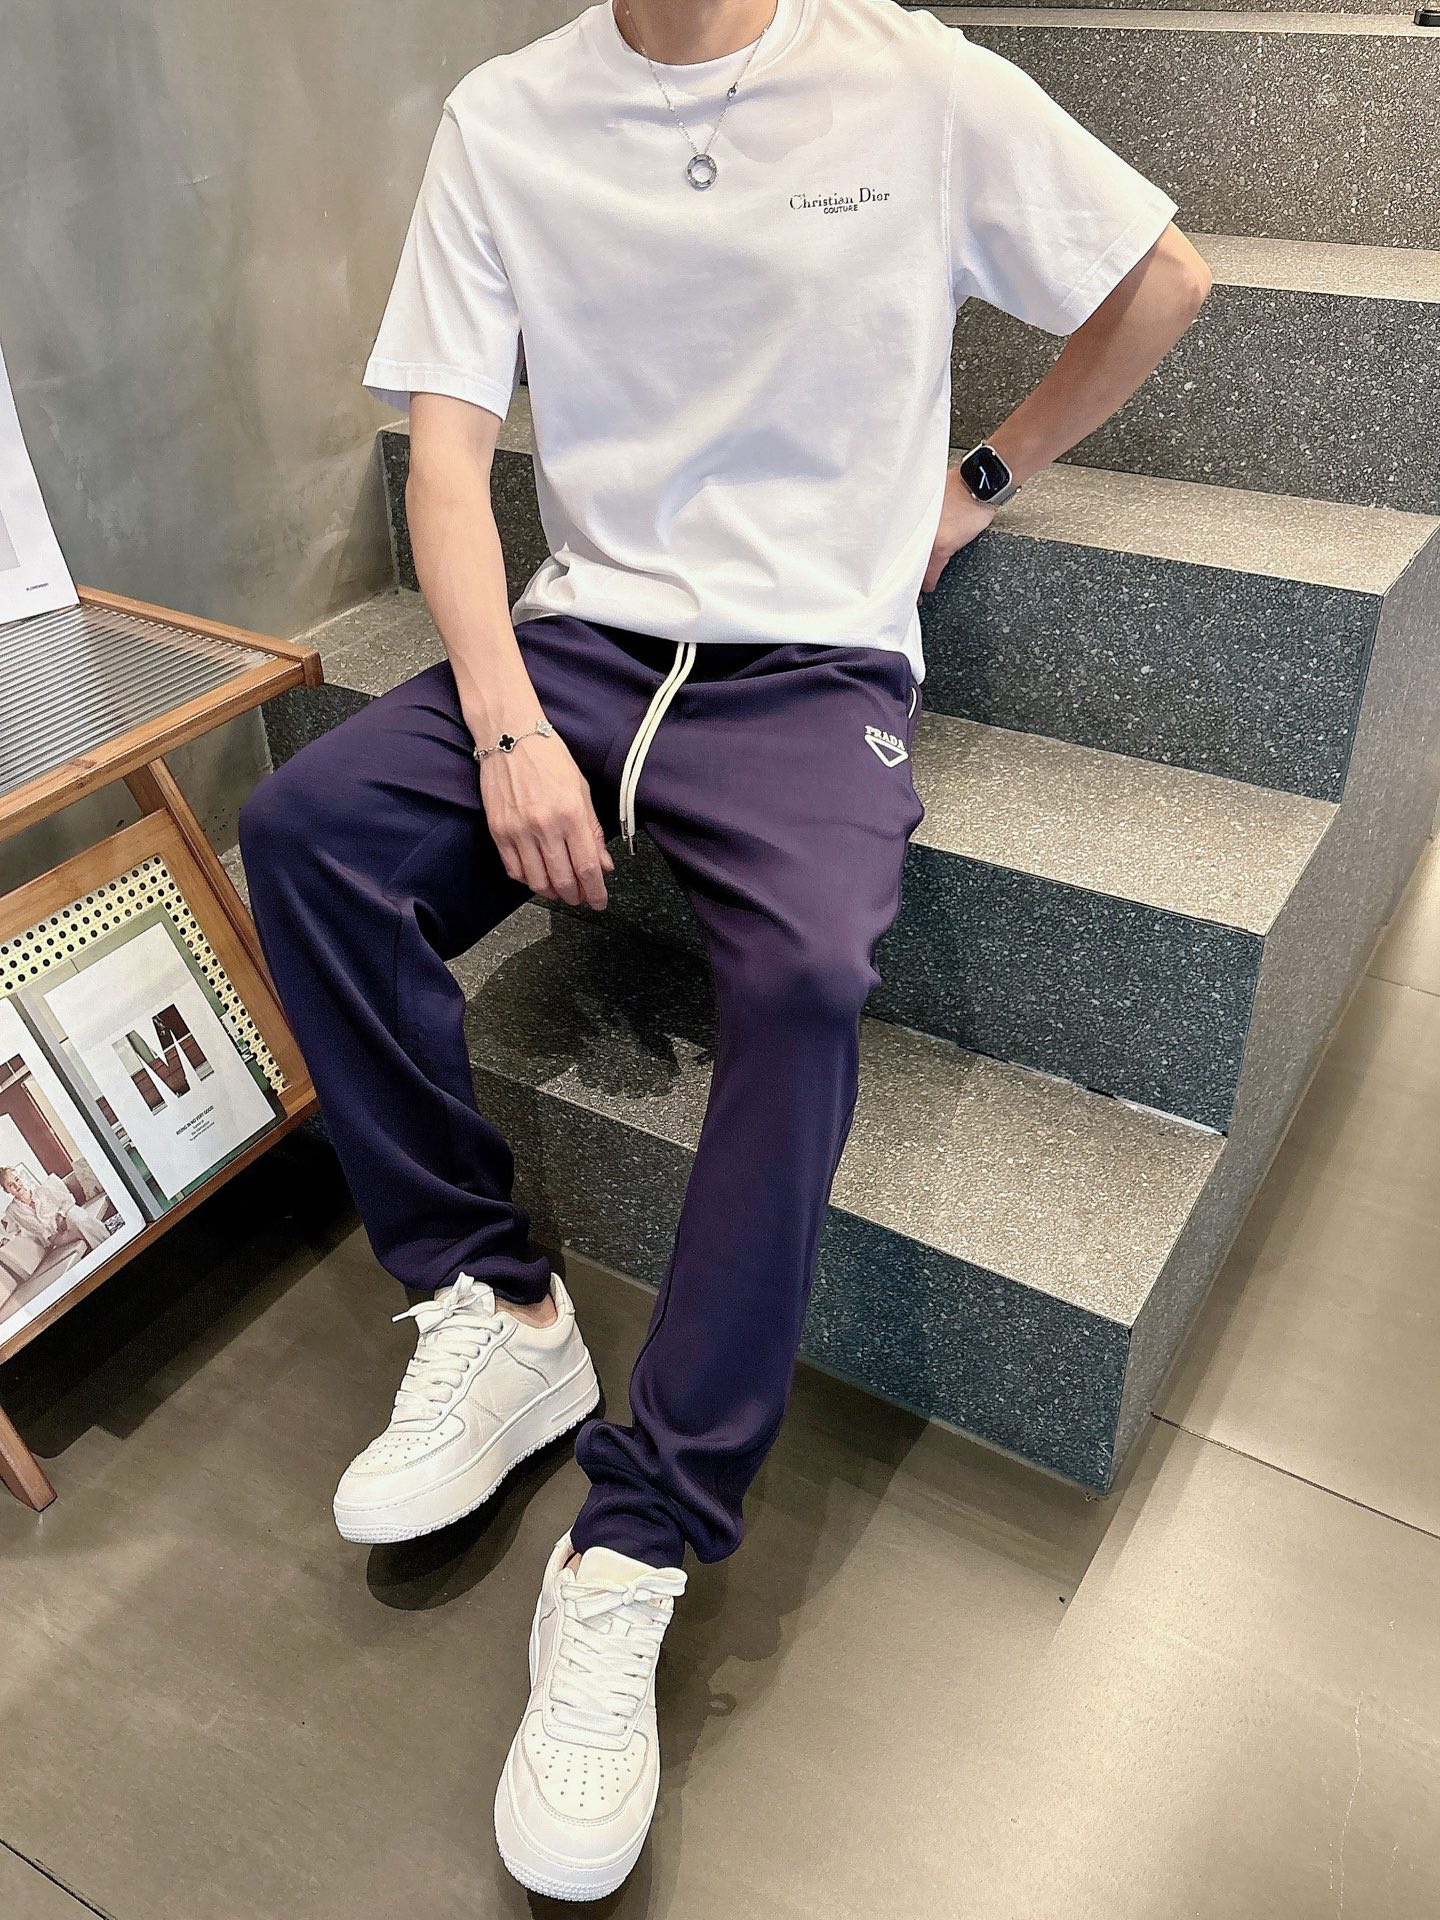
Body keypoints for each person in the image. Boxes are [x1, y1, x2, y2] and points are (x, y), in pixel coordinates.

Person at [239, 0, 1209, 1897]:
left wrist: (981, 479)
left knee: (808, 974)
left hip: (814, 664)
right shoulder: (507, 113)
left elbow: (1161, 277)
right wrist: (505, 725)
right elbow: (447, 458)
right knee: (309, 835)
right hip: (584, 640)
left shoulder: (913, 78)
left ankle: (642, 1536)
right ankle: (497, 1309)